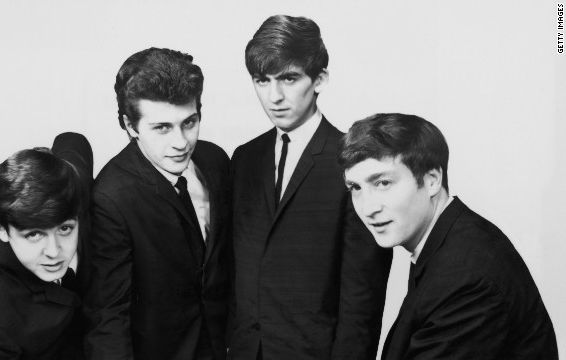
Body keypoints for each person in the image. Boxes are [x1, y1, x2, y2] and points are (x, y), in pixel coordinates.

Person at [230, 15, 392, 360]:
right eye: (262, 80)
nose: (274, 96)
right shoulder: (244, 158)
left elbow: (362, 301)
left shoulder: (354, 163)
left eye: (289, 78)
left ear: (319, 79)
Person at [339, 113, 559, 359]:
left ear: (432, 180)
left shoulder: (466, 279)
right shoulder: (450, 238)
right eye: (355, 188)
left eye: (382, 183)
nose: (368, 208)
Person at [83, 47, 231, 360]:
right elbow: (108, 316)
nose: (181, 142)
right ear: (130, 125)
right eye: (162, 127)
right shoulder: (110, 197)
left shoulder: (215, 161)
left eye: (189, 122)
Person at [0, 132, 93, 360]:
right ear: (1, 229)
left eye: (65, 229)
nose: (54, 251)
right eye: (35, 234)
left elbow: (72, 139)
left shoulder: (72, 187)